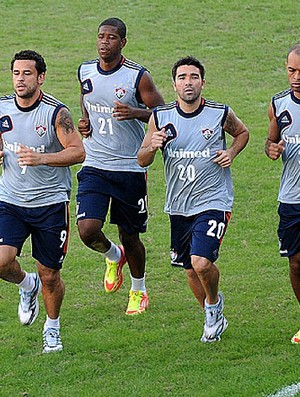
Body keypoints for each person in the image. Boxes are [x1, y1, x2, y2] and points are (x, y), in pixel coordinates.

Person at [138, 56, 249, 342]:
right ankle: (213, 314)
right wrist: (151, 146)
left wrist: (231, 153)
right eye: (183, 77)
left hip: (214, 200)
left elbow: (242, 133)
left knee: (201, 262)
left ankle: (213, 305)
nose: (188, 82)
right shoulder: (160, 117)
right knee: (190, 270)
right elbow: (141, 160)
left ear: (203, 82)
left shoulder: (219, 112)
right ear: (174, 84)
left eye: (194, 77)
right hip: (179, 205)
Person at [76, 17, 164, 315]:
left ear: (122, 42)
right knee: (87, 230)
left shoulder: (137, 76)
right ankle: (114, 256)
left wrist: (135, 111)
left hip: (129, 167)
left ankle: (138, 290)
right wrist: (85, 121)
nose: (104, 42)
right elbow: (86, 98)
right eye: (101, 36)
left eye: (111, 37)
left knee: (131, 234)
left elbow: (163, 113)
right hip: (95, 163)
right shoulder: (85, 70)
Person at [0, 50, 85, 353]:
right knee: (1, 261)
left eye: (27, 73)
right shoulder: (2, 108)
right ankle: (27, 285)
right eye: (16, 73)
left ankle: (52, 327)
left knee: (50, 274)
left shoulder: (55, 113)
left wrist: (42, 159)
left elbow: (77, 152)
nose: (20, 79)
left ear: (41, 77)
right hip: (9, 200)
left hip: (49, 204)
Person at [265, 44, 300, 344]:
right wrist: (272, 149)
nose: (296, 77)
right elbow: (270, 141)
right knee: (296, 262)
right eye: (291, 70)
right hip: (291, 198)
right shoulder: (279, 104)